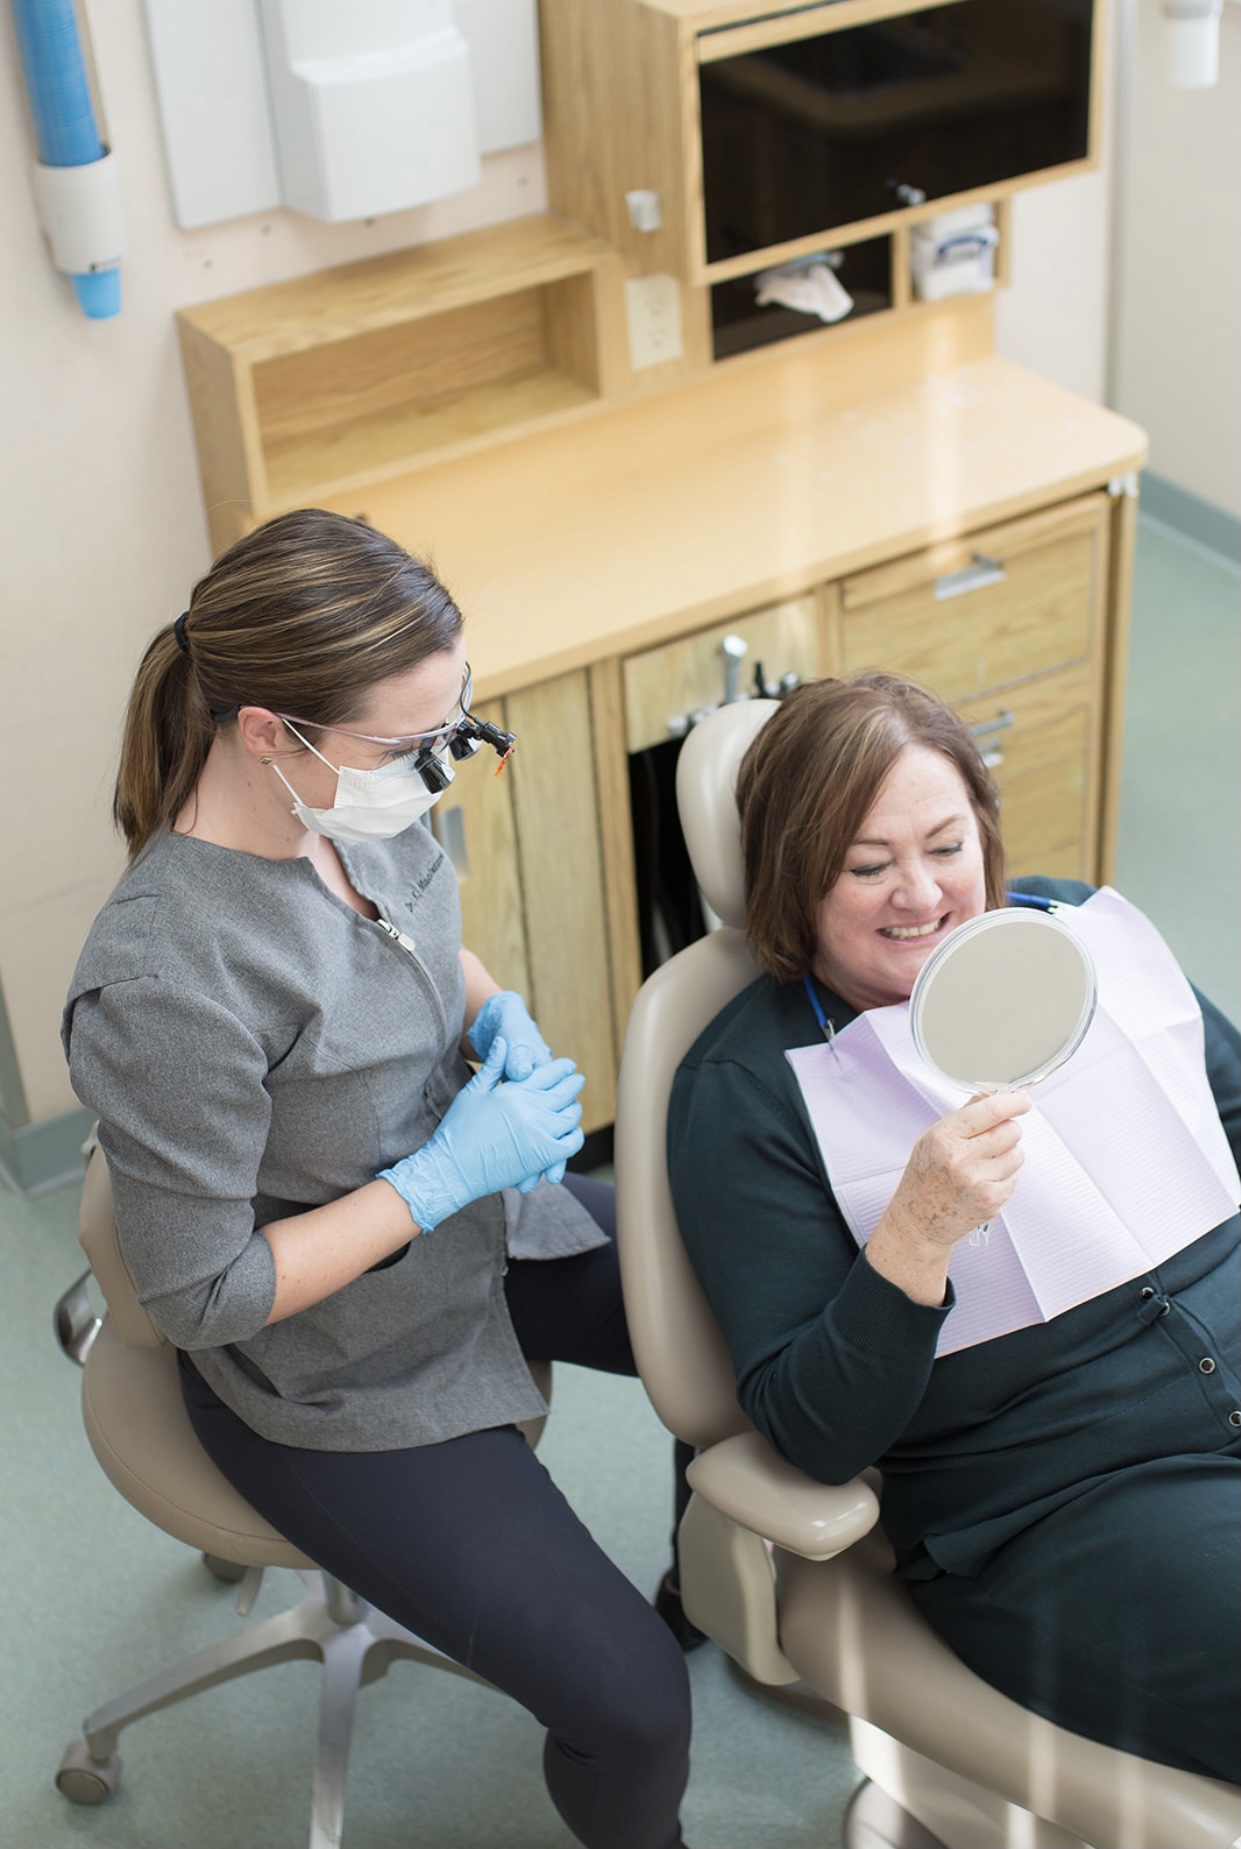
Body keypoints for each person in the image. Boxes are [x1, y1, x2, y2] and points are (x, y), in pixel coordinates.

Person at [63, 509, 695, 1849]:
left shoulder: (367, 804)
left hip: (485, 1227)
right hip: (330, 1361)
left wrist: (493, 1015)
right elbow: (207, 1297)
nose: (435, 770)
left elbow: (416, 942)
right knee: (635, 1712)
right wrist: (439, 1172)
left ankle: (707, 1590)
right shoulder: (166, 979)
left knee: (750, 1317)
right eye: (409, 744)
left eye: (450, 729)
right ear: (268, 733)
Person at [668, 670, 1240, 1784]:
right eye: (865, 865)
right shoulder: (746, 1090)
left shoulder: (1077, 940)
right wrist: (912, 1236)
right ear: (794, 878)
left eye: (944, 846)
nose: (920, 895)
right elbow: (809, 1432)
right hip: (1065, 1501)